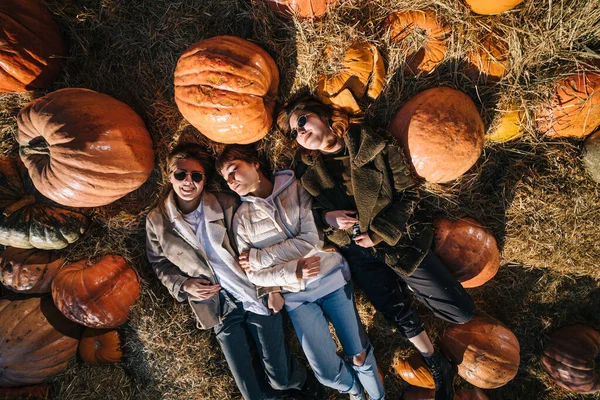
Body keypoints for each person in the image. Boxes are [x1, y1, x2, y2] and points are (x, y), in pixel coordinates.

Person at [276, 96, 476, 400]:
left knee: (461, 313)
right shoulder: (307, 172)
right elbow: (306, 217)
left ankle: (411, 285)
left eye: (302, 121)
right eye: (293, 133)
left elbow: (409, 194)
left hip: (395, 241)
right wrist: (327, 218)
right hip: (356, 251)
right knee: (392, 309)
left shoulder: (371, 144)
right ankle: (436, 363)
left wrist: (380, 232)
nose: (299, 133)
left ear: (323, 115)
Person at [145, 143, 321, 400]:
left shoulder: (226, 205)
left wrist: (271, 288)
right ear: (170, 176)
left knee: (281, 379)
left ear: (204, 180)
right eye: (181, 174)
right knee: (251, 394)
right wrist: (183, 284)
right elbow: (159, 264)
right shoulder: (157, 221)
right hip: (218, 307)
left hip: (252, 291)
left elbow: (255, 244)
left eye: (196, 176)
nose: (188, 182)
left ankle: (300, 383)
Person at [217, 144, 385, 400]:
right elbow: (253, 275)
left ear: (255, 164)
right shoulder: (241, 219)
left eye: (234, 170)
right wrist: (293, 271)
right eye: (224, 179)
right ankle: (355, 390)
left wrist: (260, 257)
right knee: (327, 374)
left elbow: (311, 240)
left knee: (358, 354)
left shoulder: (296, 188)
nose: (230, 181)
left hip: (331, 280)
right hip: (296, 298)